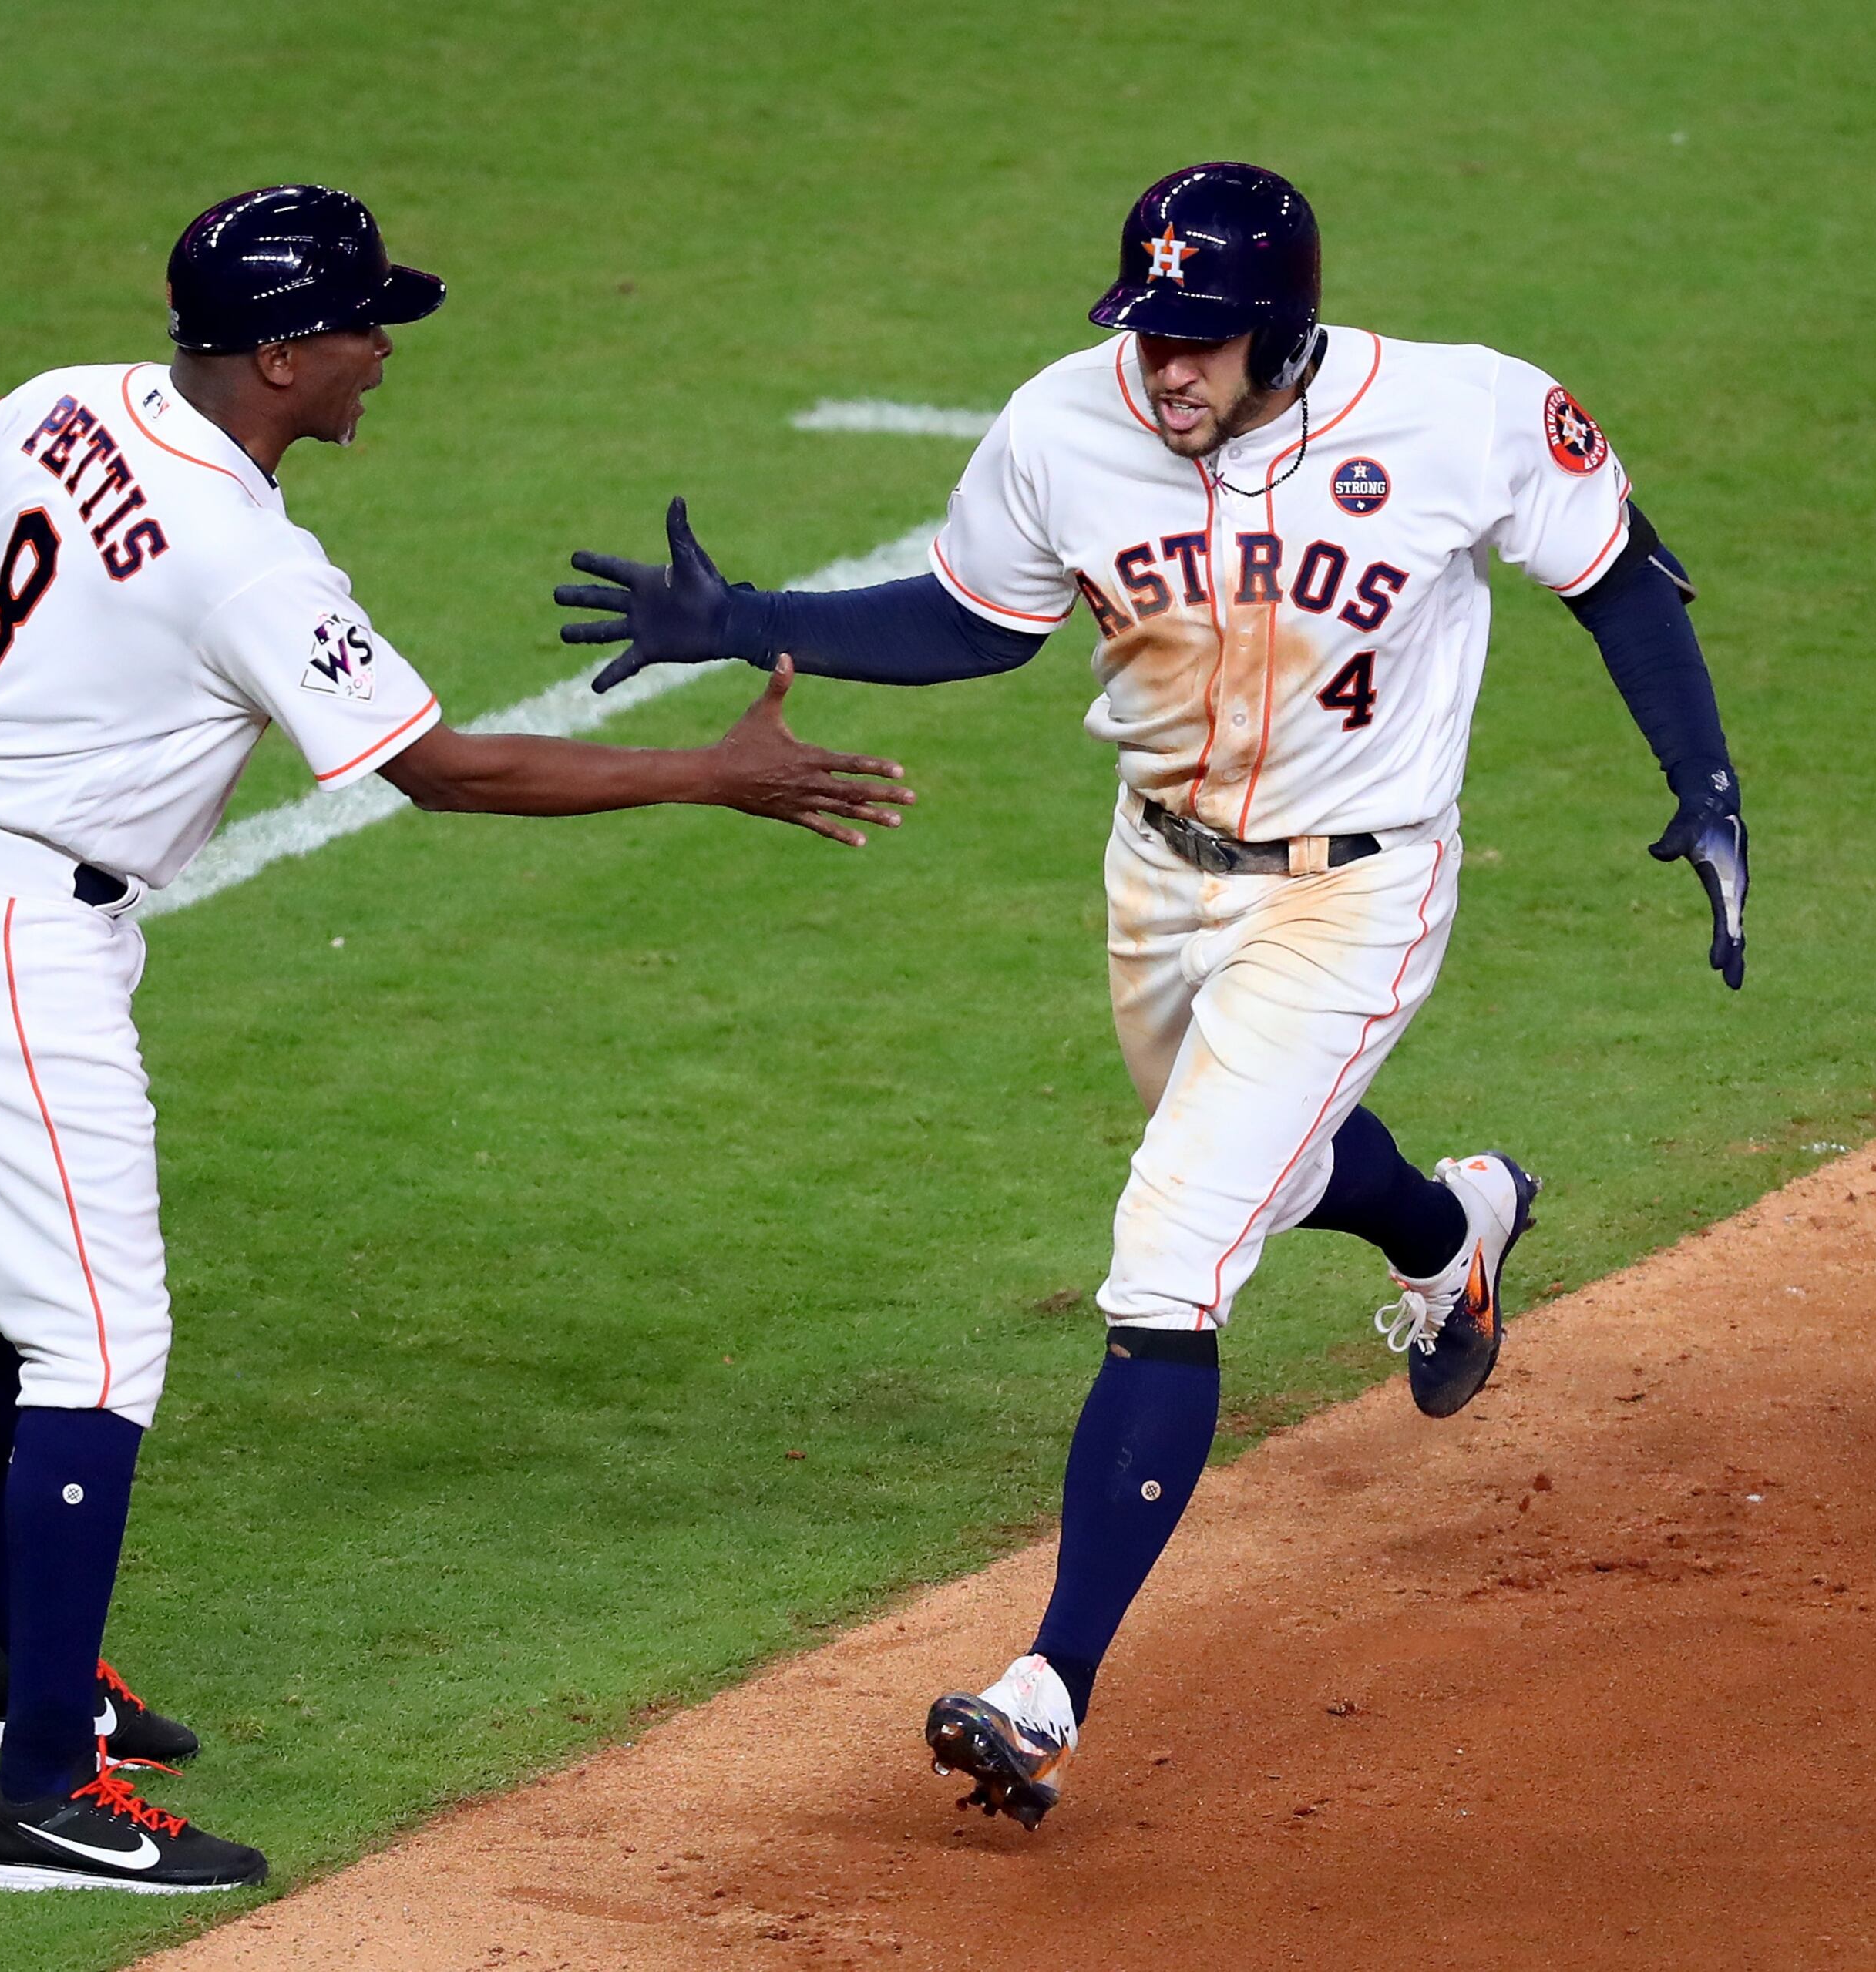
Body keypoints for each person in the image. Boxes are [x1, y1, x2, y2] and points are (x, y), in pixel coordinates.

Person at [0, 184, 910, 1891]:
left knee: (7, 1299)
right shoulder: (245, 558)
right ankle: (42, 1798)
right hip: (8, 948)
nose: (382, 355)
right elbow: (438, 766)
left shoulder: (73, 400)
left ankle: (4, 1667)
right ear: (279, 352)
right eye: (361, 327)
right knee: (101, 1349)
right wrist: (714, 773)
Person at [554, 161, 1743, 1829]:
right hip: (1160, 875)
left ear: (1283, 327)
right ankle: (1451, 1228)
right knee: (1258, 1154)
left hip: (1360, 885)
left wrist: (1708, 784)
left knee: (1174, 1251)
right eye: (1148, 329)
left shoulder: (1465, 414)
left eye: (1200, 339)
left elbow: (1618, 571)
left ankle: (1048, 1688)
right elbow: (980, 623)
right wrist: (748, 617)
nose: (1165, 367)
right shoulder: (1064, 426)